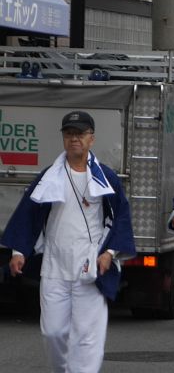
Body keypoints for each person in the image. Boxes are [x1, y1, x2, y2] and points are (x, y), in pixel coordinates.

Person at [2, 111, 135, 373]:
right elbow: (28, 215)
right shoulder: (49, 176)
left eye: (80, 134)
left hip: (90, 266)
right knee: (53, 332)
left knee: (87, 338)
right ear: (64, 138)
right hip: (55, 266)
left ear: (91, 139)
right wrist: (19, 251)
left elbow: (121, 217)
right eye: (69, 134)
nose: (74, 138)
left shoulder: (106, 177)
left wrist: (109, 252)